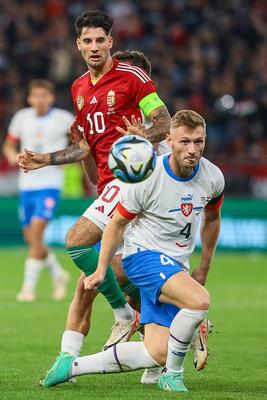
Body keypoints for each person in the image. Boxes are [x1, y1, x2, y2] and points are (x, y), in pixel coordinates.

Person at [17, 10, 171, 360]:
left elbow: (165, 122)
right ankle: (163, 351)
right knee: (123, 281)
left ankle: (121, 316)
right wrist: (46, 158)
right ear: (78, 45)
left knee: (77, 240)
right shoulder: (78, 89)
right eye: (87, 40)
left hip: (134, 179)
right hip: (108, 185)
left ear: (110, 42)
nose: (94, 46)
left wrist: (142, 136)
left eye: (100, 39)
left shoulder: (132, 77)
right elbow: (86, 145)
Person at [39, 109, 224, 392]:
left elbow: (212, 220)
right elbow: (116, 225)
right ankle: (172, 375)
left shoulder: (213, 177)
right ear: (170, 140)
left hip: (176, 265)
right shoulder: (148, 176)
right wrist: (101, 268)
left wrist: (204, 267)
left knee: (157, 351)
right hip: (142, 257)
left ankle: (72, 366)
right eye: (185, 141)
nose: (192, 149)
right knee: (198, 301)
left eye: (198, 142)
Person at [3, 79, 73, 301]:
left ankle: (28, 288)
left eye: (44, 95)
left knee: (37, 232)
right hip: (27, 185)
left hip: (50, 184)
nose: (40, 99)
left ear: (51, 97)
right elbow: (9, 144)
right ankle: (58, 274)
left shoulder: (64, 118)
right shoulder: (21, 117)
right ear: (29, 98)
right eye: (36, 95)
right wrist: (11, 156)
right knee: (31, 238)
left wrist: (68, 160)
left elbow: (82, 143)